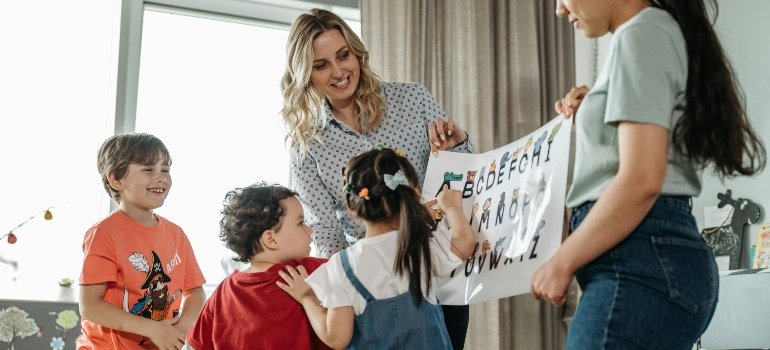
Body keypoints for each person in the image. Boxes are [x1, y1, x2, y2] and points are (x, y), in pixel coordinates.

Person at [531, 1, 767, 349]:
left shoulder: (642, 32)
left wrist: (563, 261)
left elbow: (641, 179)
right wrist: (599, 105)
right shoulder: (650, 33)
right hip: (649, 258)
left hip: (639, 260)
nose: (560, 11)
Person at [281, 8, 474, 348]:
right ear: (305, 74)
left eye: (343, 55)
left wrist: (459, 145)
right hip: (370, 291)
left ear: (356, 52)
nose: (339, 72)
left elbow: (464, 176)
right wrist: (349, 286)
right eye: (321, 64)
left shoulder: (413, 99)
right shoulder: (306, 145)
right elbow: (326, 232)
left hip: (438, 266)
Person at [277, 147, 476, 349]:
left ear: (352, 206)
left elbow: (336, 337)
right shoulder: (419, 246)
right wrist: (452, 208)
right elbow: (465, 244)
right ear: (413, 197)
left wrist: (306, 297)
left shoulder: (341, 266)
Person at [78, 133, 206, 350]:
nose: (161, 177)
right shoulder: (104, 233)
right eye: (148, 169)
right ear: (116, 179)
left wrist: (180, 329)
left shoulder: (177, 234)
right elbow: (90, 306)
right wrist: (152, 329)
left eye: (165, 170)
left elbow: (195, 291)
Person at [186, 183, 331, 350]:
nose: (309, 230)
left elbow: (196, 346)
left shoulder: (223, 291)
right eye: (300, 223)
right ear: (271, 239)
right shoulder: (308, 271)